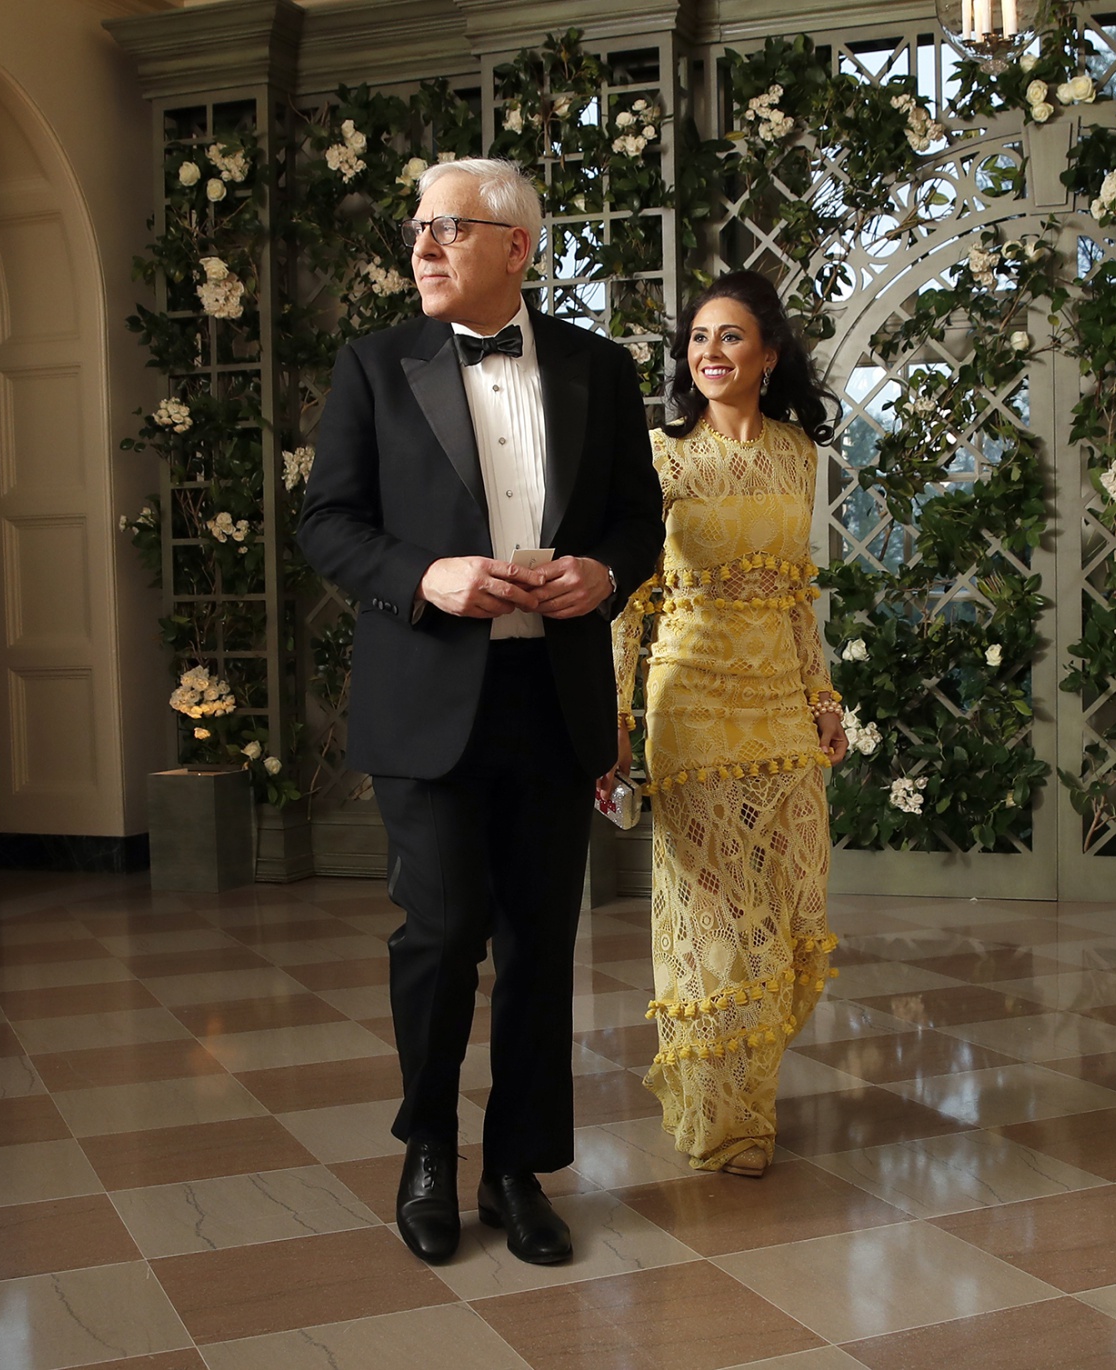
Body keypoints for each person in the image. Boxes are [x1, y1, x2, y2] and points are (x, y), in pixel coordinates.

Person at [299, 158, 664, 1266]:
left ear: (516, 247)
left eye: (447, 228)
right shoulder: (373, 366)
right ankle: (425, 1150)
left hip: (549, 698)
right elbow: (327, 523)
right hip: (426, 699)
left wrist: (603, 573)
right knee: (444, 928)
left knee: (540, 940)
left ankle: (517, 1167)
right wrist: (425, 577)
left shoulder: (601, 370)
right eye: (418, 229)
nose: (421, 247)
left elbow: (636, 522)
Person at [602, 271, 849, 1177]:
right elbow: (630, 603)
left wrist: (823, 702)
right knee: (715, 914)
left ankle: (748, 1087)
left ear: (769, 355)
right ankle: (727, 1118)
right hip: (692, 701)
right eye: (698, 339)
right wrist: (616, 718)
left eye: (730, 337)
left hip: (779, 703)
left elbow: (794, 597)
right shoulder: (662, 457)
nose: (709, 353)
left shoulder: (796, 454)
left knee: (784, 904)